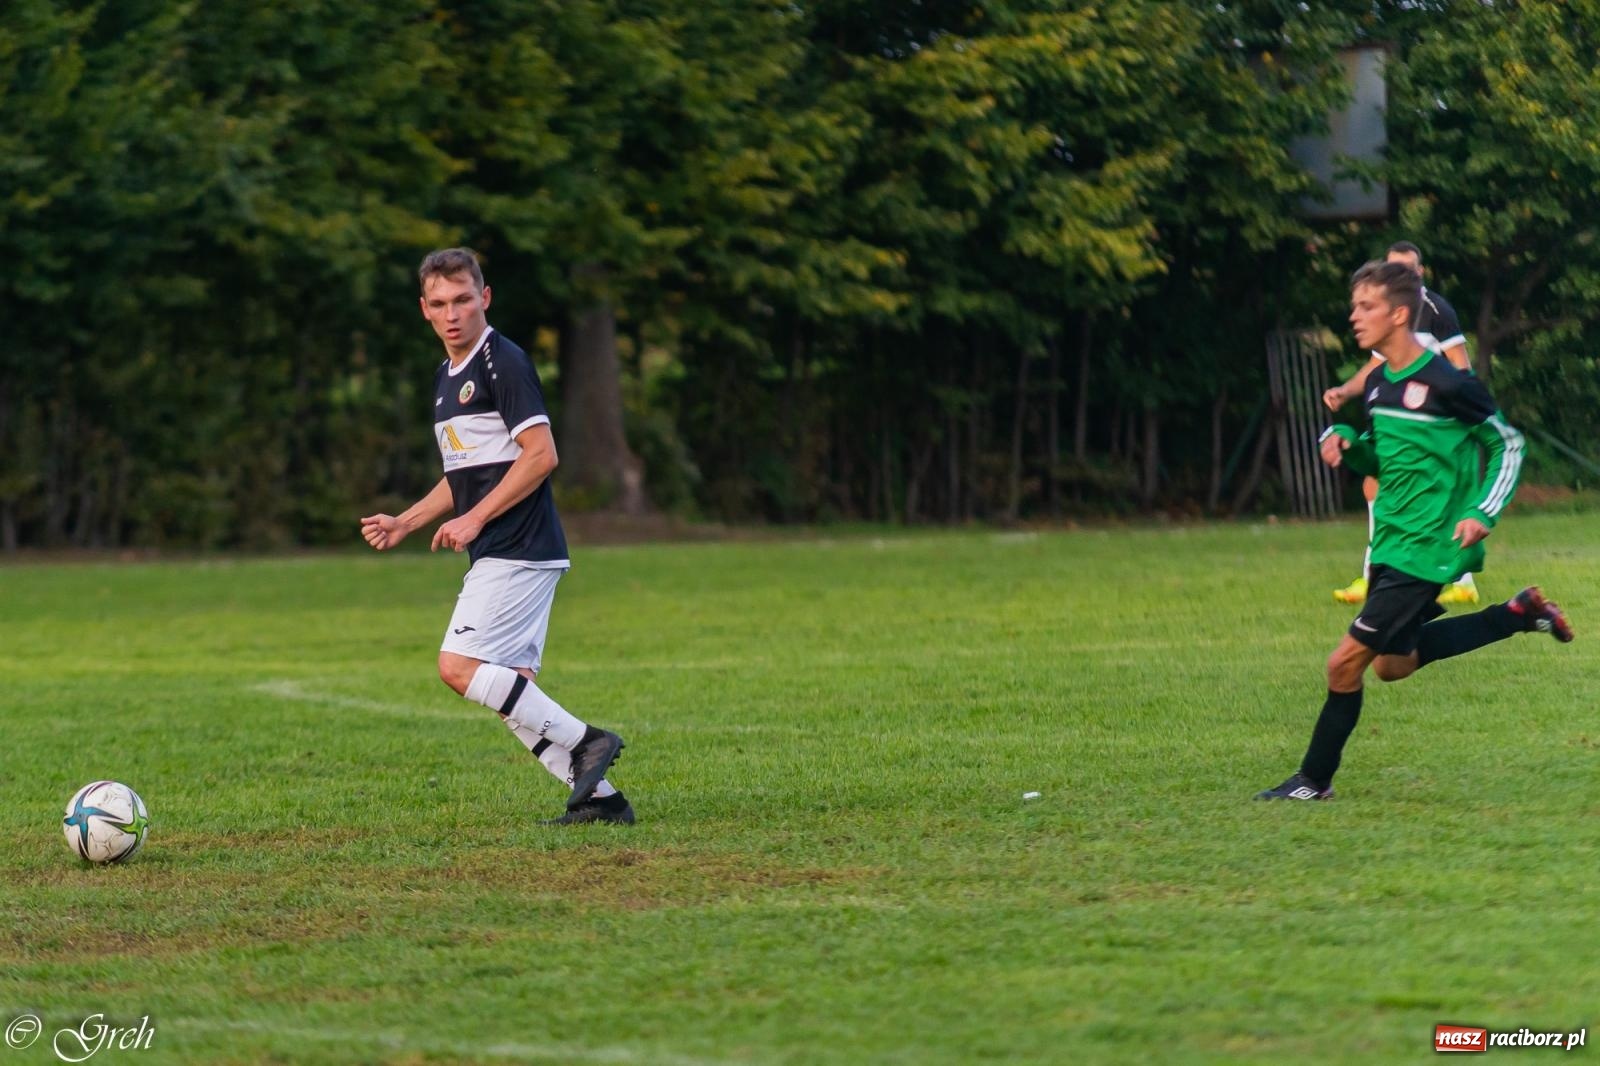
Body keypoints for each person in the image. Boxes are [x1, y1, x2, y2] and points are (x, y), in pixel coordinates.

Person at [1258, 260, 1573, 801]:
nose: (1355, 316)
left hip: (1427, 547)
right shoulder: (1378, 385)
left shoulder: (1450, 383)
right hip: (1389, 542)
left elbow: (1507, 443)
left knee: (1343, 663)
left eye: (1367, 306)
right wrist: (1348, 445)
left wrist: (1483, 512)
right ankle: (1516, 615)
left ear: (1399, 314)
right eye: (1355, 306)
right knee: (1392, 665)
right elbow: (1387, 461)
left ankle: (1312, 780)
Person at [360, 248, 633, 825]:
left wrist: (476, 518)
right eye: (439, 303)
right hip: (508, 549)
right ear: (424, 309)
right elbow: (464, 473)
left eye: (463, 299)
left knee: (458, 666)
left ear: (484, 297)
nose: (452, 313)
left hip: (519, 546)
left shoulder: (500, 362)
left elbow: (541, 454)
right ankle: (603, 802)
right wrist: (407, 520)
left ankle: (588, 741)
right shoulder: (445, 377)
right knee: (512, 692)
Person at [1322, 241, 1479, 606]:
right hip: (1393, 413)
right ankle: (1374, 575)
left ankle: (1461, 578)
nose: (1400, 276)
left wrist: (1456, 413)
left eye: (1407, 269)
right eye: (1393, 269)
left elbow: (1461, 367)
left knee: (1438, 496)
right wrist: (1345, 391)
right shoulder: (1388, 314)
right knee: (1374, 484)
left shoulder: (1437, 310)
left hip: (1429, 422)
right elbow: (1377, 365)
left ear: (1420, 272)